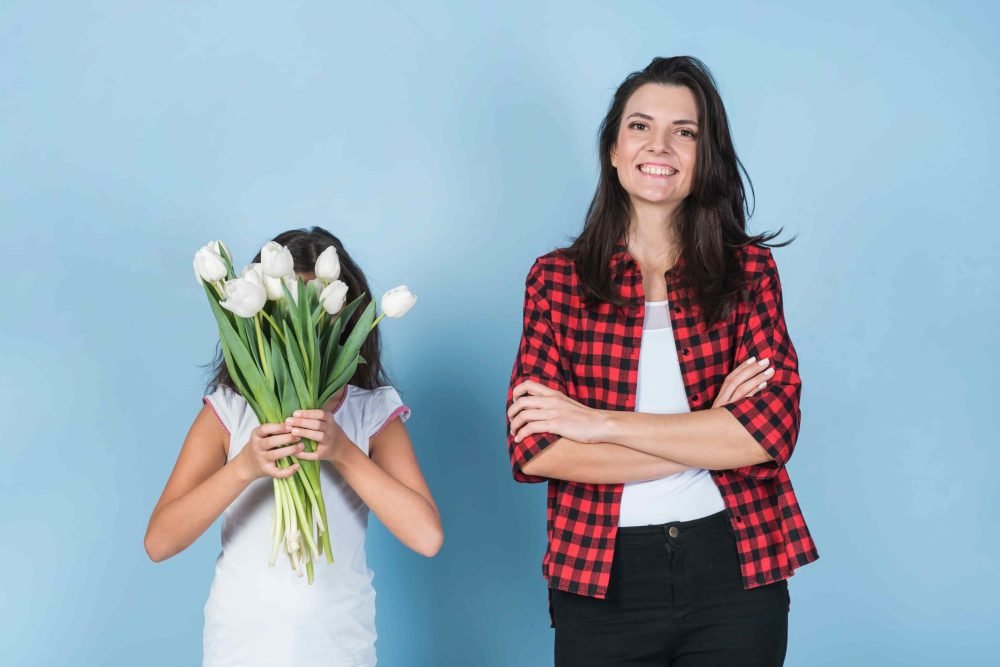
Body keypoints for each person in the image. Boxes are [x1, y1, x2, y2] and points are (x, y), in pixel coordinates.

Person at [506, 56, 818, 666]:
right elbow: (536, 450)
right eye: (640, 126)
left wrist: (599, 423)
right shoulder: (556, 281)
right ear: (614, 151)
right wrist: (708, 424)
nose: (661, 146)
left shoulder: (749, 273)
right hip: (601, 573)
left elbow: (769, 434)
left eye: (685, 131)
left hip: (735, 565)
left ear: (706, 157)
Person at [145, 227, 442, 667]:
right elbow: (159, 542)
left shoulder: (372, 414)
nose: (304, 327)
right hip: (239, 650)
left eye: (319, 310)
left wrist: (342, 450)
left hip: (340, 648)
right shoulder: (229, 412)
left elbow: (427, 536)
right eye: (286, 309)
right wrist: (245, 466)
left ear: (344, 313)